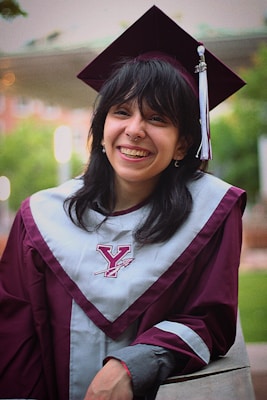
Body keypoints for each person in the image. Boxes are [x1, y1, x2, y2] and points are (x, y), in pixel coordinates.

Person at [0, 6, 246, 400]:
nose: (134, 130)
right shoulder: (39, 218)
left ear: (184, 141)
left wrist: (136, 363)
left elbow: (209, 320)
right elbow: (14, 338)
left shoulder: (213, 211)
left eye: (158, 118)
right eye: (121, 112)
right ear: (100, 130)